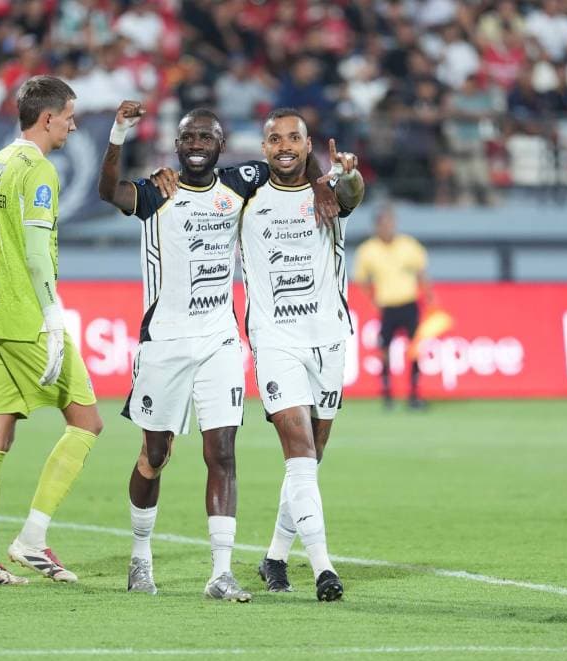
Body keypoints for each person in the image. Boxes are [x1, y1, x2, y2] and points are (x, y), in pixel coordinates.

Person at [109, 105, 339, 601]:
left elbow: (295, 166)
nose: (196, 144)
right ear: (176, 144)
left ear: (220, 145)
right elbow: (109, 192)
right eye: (187, 137)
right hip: (165, 342)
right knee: (155, 454)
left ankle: (221, 572)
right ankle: (140, 556)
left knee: (223, 453)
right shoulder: (157, 192)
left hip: (220, 339)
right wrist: (118, 134)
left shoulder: (241, 181)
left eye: (205, 137)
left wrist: (322, 182)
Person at [0, 75, 103, 586]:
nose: (72, 123)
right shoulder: (40, 170)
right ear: (47, 118)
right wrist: (52, 315)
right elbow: (39, 252)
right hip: (27, 319)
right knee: (87, 422)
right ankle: (31, 538)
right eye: (69, 114)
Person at [239, 109, 363, 601]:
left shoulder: (331, 190)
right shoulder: (244, 198)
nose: (284, 145)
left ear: (308, 144)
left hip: (329, 338)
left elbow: (353, 193)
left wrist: (346, 174)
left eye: (294, 138)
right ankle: (323, 568)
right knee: (300, 456)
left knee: (311, 459)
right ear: (263, 147)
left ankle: (274, 555)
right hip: (275, 341)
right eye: (275, 139)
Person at [351, 204, 433, 409]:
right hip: (388, 306)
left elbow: (421, 271)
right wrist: (373, 297)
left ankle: (414, 393)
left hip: (409, 303)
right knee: (384, 348)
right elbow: (361, 278)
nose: (389, 227)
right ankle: (387, 393)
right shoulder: (368, 250)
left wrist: (429, 295)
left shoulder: (408, 245)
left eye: (391, 222)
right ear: (377, 226)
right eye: (384, 223)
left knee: (414, 349)